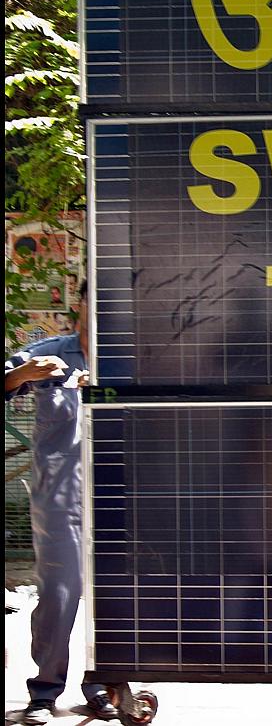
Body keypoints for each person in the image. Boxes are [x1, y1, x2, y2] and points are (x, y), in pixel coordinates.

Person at [4, 279, 119, 724]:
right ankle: (45, 691)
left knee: (115, 593)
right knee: (60, 591)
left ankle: (102, 685)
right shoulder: (51, 352)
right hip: (60, 494)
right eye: (97, 301)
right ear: (81, 305)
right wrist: (24, 375)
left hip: (117, 490)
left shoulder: (129, 356)